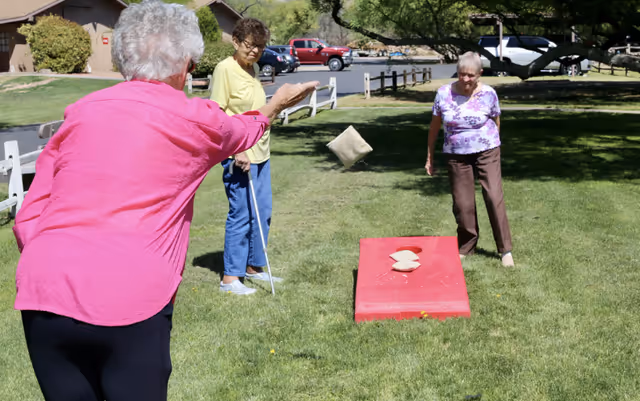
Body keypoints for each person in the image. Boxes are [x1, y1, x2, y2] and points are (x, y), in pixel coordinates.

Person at [12, 1, 318, 400]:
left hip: (44, 291)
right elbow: (240, 131)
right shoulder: (192, 117)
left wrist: (52, 258)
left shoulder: (81, 112)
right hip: (131, 297)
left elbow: (30, 213)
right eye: (191, 65)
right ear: (183, 64)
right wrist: (275, 105)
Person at [425, 51, 514, 267]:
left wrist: (493, 143)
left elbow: (496, 120)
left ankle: (505, 250)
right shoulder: (443, 93)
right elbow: (435, 126)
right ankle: (466, 246)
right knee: (463, 203)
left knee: (493, 196)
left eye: (470, 75)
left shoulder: (489, 94)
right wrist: (429, 156)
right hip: (456, 153)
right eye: (461, 74)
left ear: (480, 74)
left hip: (487, 150)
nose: (465, 79)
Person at [211, 18, 280, 295]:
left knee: (262, 213)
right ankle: (230, 279)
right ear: (236, 41)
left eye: (260, 47)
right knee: (240, 214)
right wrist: (236, 150)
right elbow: (216, 114)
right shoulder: (224, 69)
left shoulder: (251, 70)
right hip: (238, 156)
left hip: (261, 154)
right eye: (250, 46)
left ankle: (253, 268)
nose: (255, 52)